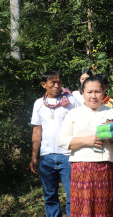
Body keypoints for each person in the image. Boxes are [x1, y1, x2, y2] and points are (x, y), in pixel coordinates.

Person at [58, 76, 113, 217]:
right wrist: (86, 141)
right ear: (82, 93)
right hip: (81, 168)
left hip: (107, 167)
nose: (93, 96)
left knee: (106, 207)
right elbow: (62, 140)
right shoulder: (74, 113)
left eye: (97, 91)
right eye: (89, 92)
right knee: (83, 208)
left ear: (104, 92)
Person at [30, 70, 80, 217]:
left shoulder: (70, 101)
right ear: (44, 84)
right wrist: (34, 156)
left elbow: (80, 123)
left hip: (68, 155)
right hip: (47, 156)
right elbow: (37, 130)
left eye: (59, 82)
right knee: (50, 196)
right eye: (53, 82)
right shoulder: (39, 104)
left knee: (73, 194)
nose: (57, 85)